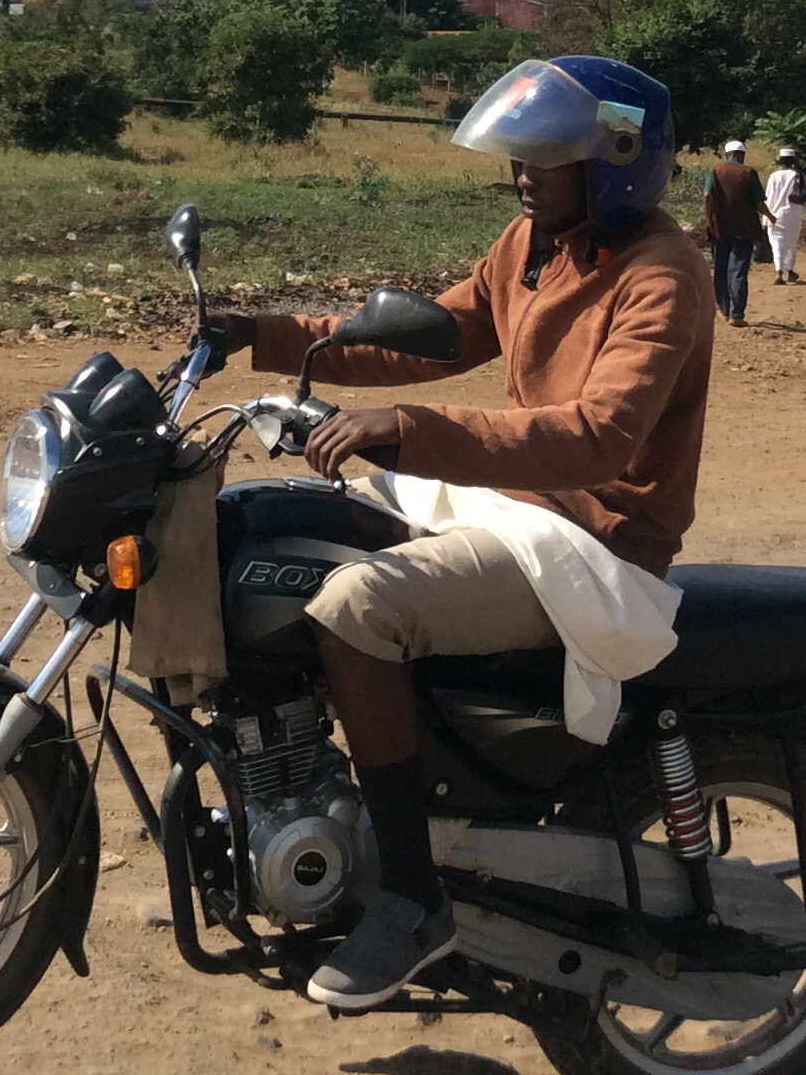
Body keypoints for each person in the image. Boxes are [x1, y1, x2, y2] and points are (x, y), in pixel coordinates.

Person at [208, 56, 709, 1011]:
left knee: (358, 607)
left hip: (592, 543)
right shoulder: (533, 243)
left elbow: (600, 437)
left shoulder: (662, 273)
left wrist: (412, 431)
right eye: (520, 155)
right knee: (288, 539)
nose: (523, 174)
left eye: (547, 158)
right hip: (511, 508)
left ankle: (413, 897)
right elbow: (428, 336)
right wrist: (264, 334)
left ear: (616, 161)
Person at [702, 136, 765, 326]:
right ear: (742, 155)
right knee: (738, 270)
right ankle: (736, 313)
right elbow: (759, 203)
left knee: (720, 269)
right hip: (744, 230)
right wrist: (770, 217)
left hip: (719, 230)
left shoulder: (715, 171)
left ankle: (724, 310)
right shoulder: (749, 173)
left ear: (727, 154)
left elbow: (707, 196)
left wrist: (709, 221)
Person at [763, 144, 806, 283]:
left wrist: (766, 218)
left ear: (780, 160)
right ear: (793, 161)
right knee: (791, 243)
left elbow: (769, 197)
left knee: (777, 243)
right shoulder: (797, 175)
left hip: (775, 213)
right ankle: (789, 271)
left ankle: (778, 272)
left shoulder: (773, 176)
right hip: (794, 213)